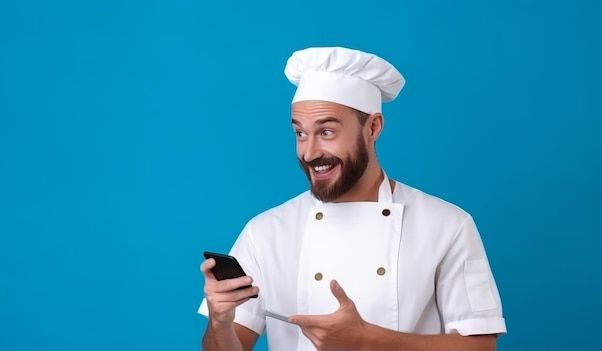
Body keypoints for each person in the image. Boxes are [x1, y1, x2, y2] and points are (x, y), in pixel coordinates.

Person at [198, 46, 506, 351]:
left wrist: (368, 340)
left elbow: (481, 347)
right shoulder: (265, 232)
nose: (309, 152)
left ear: (373, 127)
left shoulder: (446, 225)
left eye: (327, 132)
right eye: (300, 133)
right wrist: (219, 322)